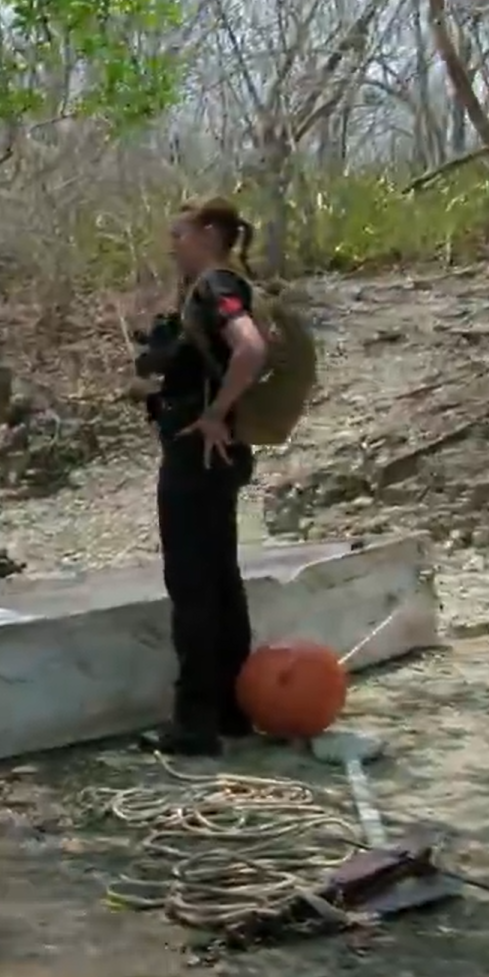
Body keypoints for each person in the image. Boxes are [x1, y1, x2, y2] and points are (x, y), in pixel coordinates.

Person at [134, 197, 271, 756]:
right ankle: (233, 710)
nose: (173, 245)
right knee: (219, 581)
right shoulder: (213, 288)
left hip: (199, 455)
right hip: (217, 456)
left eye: (180, 233)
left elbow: (251, 349)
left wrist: (214, 414)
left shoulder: (216, 285)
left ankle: (194, 723)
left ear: (209, 233)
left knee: (192, 585)